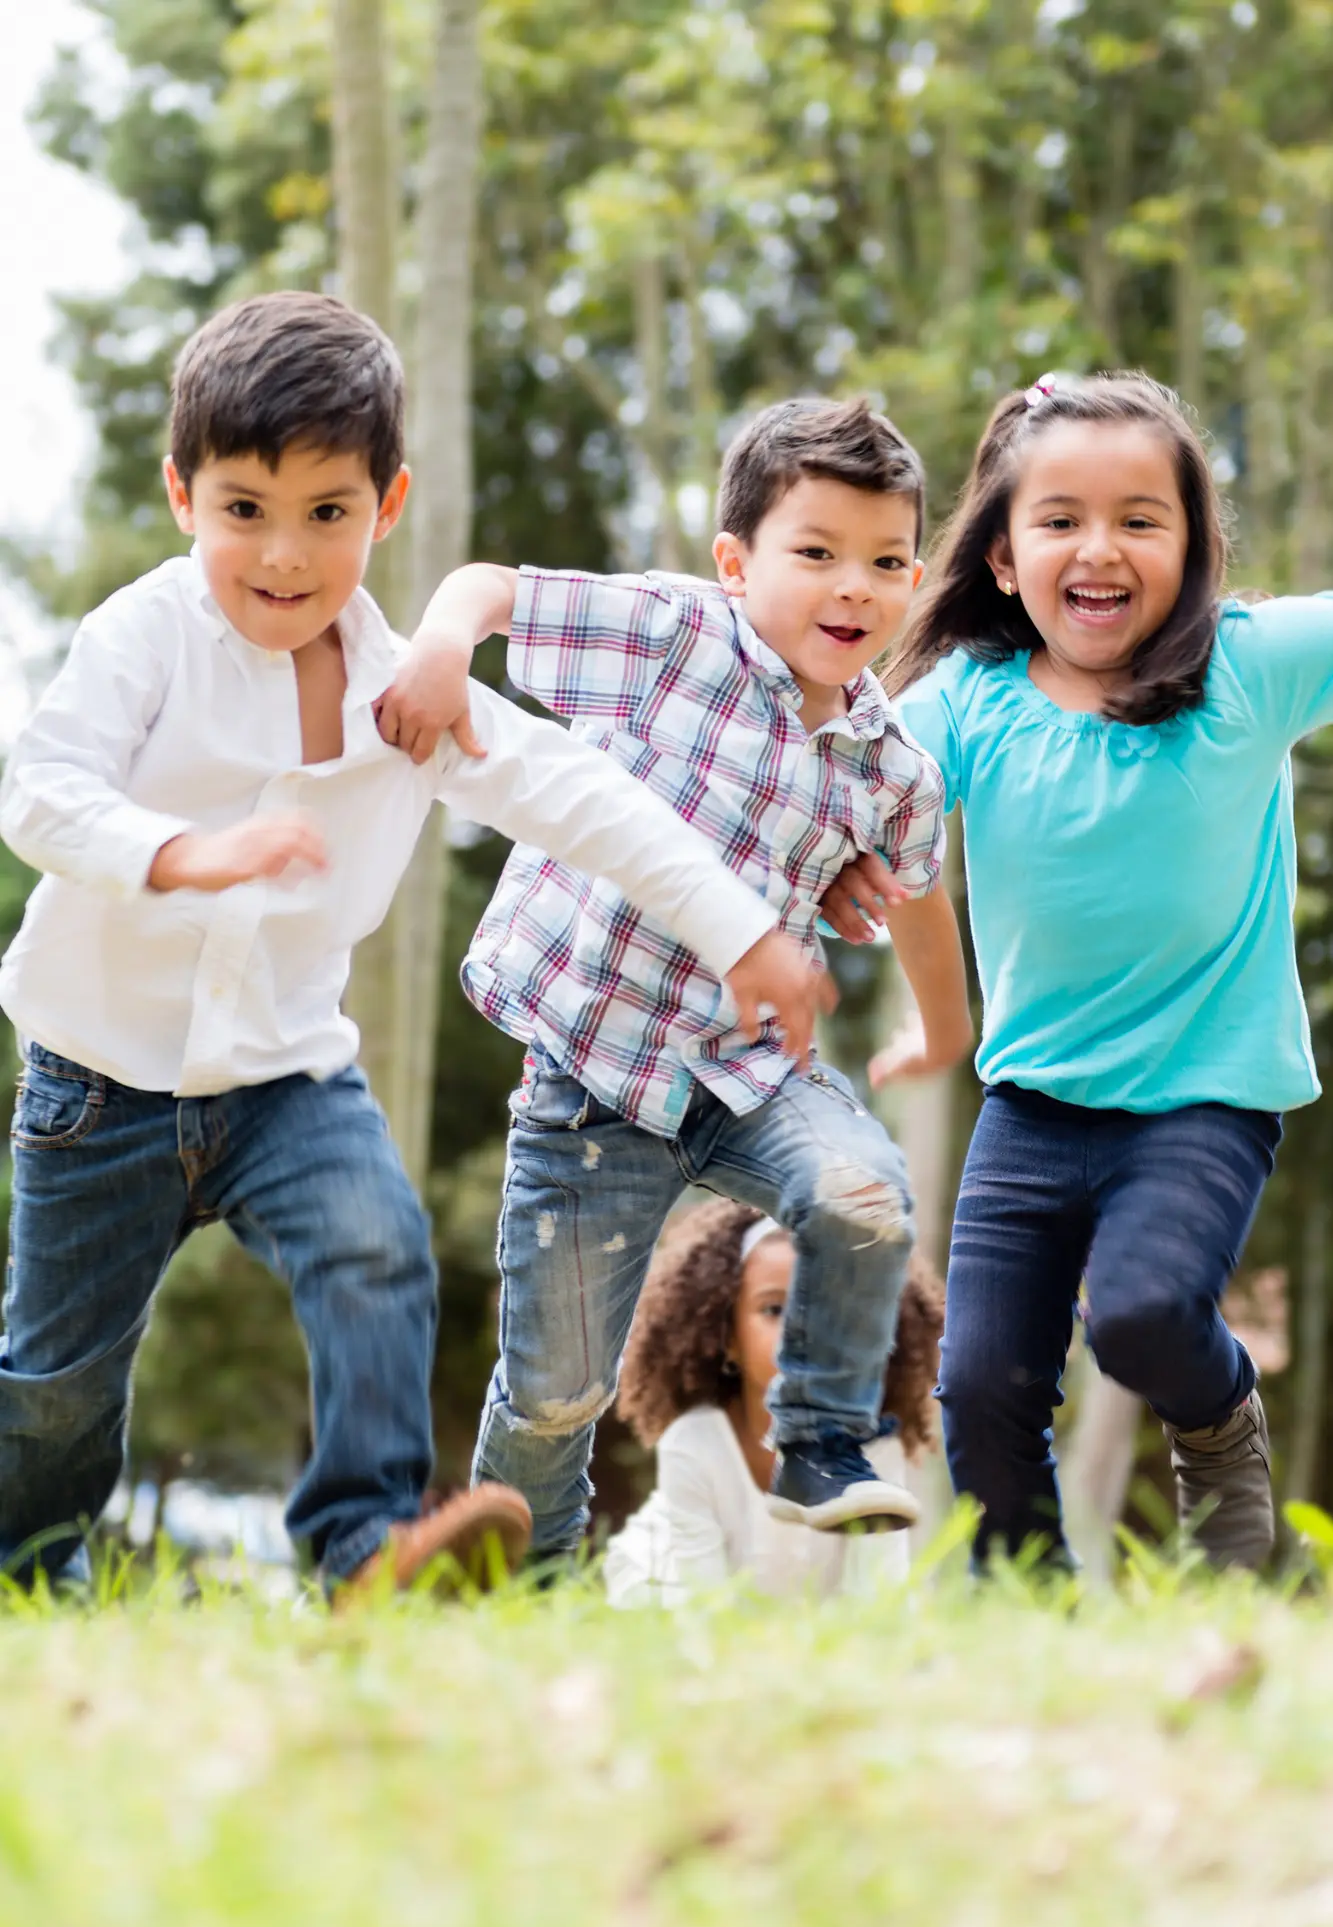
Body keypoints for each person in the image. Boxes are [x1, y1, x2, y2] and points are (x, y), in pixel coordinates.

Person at [0, 291, 823, 1597]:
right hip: (98, 1084)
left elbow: (583, 797)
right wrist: (180, 853)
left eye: (326, 512)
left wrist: (744, 933)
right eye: (243, 511)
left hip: (283, 1080)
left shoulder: (409, 693)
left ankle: (364, 1546)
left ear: (385, 507)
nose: (282, 554)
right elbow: (38, 788)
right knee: (55, 1384)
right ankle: (29, 1573)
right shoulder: (144, 635)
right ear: (182, 496)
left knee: (377, 1247)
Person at [375, 395, 975, 1565]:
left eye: (886, 561)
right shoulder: (671, 634)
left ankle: (817, 1434)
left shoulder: (890, 763)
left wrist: (943, 1028)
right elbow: (493, 587)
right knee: (556, 1389)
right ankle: (515, 1582)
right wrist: (442, 649)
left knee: (864, 1194)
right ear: (735, 560)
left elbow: (917, 895)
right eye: (815, 554)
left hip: (752, 1072)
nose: (852, 587)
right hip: (594, 1080)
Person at [824, 369, 1333, 1571]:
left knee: (1148, 1315)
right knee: (983, 1383)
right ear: (1003, 557)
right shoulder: (967, 703)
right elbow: (865, 813)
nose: (1097, 548)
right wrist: (839, 886)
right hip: (1032, 1105)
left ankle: (1221, 1427)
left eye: (1137, 519)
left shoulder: (1248, 666)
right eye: (1058, 520)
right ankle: (1029, 1600)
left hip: (1203, 1095)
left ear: (1194, 545)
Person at [604, 1199, 943, 1606]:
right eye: (775, 1309)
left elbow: (879, 1599)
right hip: (673, 1585)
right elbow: (701, 1606)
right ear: (727, 1336)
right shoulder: (695, 1441)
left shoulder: (873, 1446)